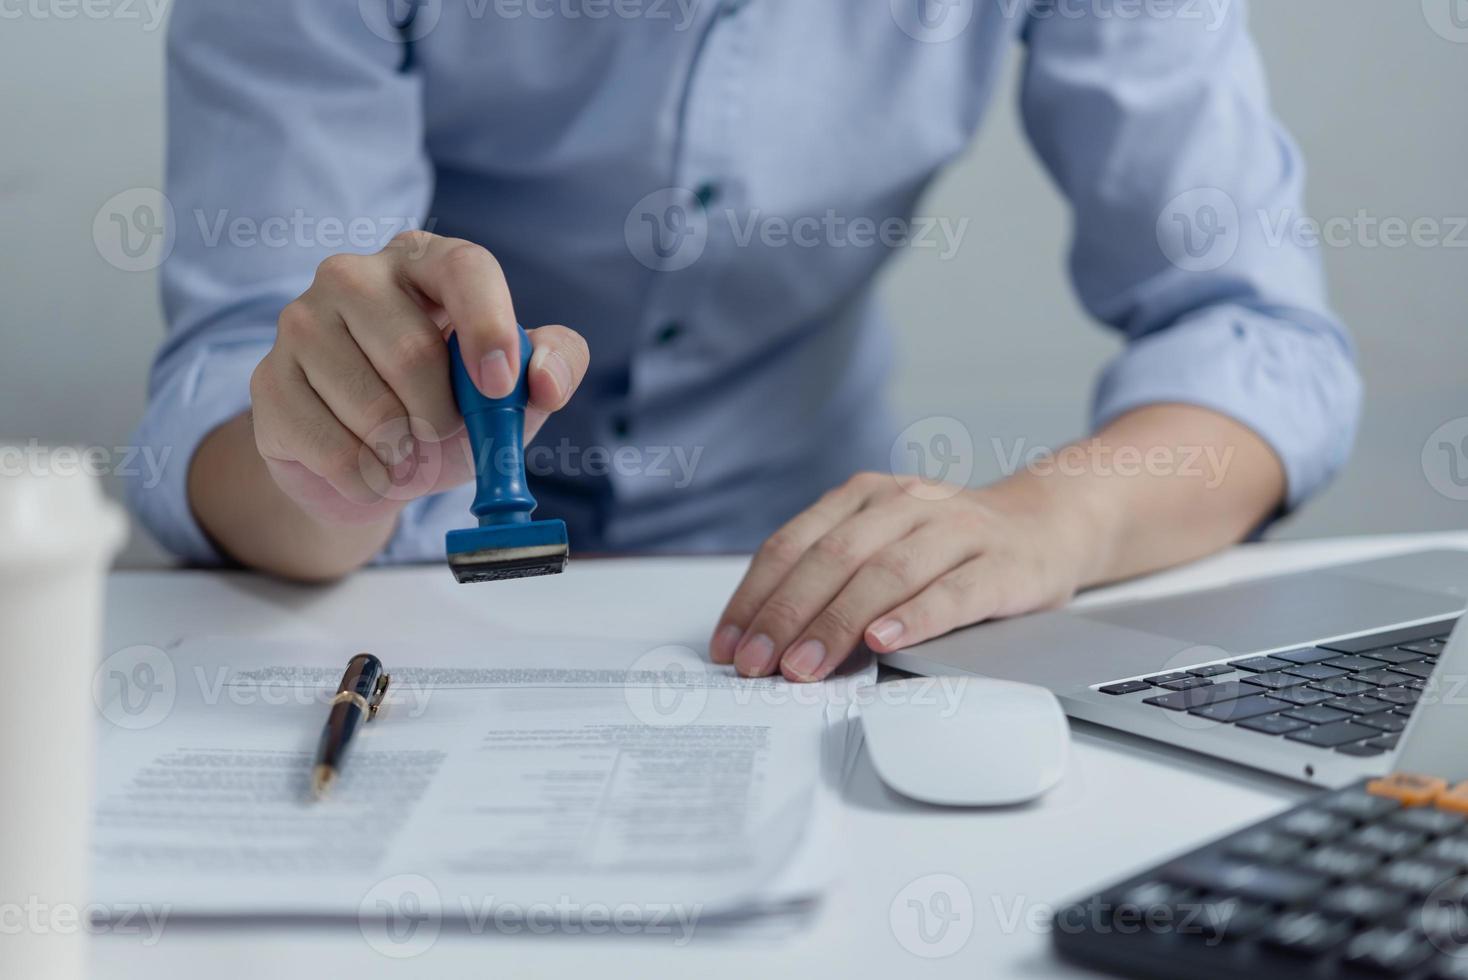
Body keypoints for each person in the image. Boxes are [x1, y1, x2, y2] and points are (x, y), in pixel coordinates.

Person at [127, 1, 1360, 685]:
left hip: (804, 601)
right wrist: (333, 463)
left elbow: (1256, 333)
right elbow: (230, 407)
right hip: (384, 606)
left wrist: (1058, 521)